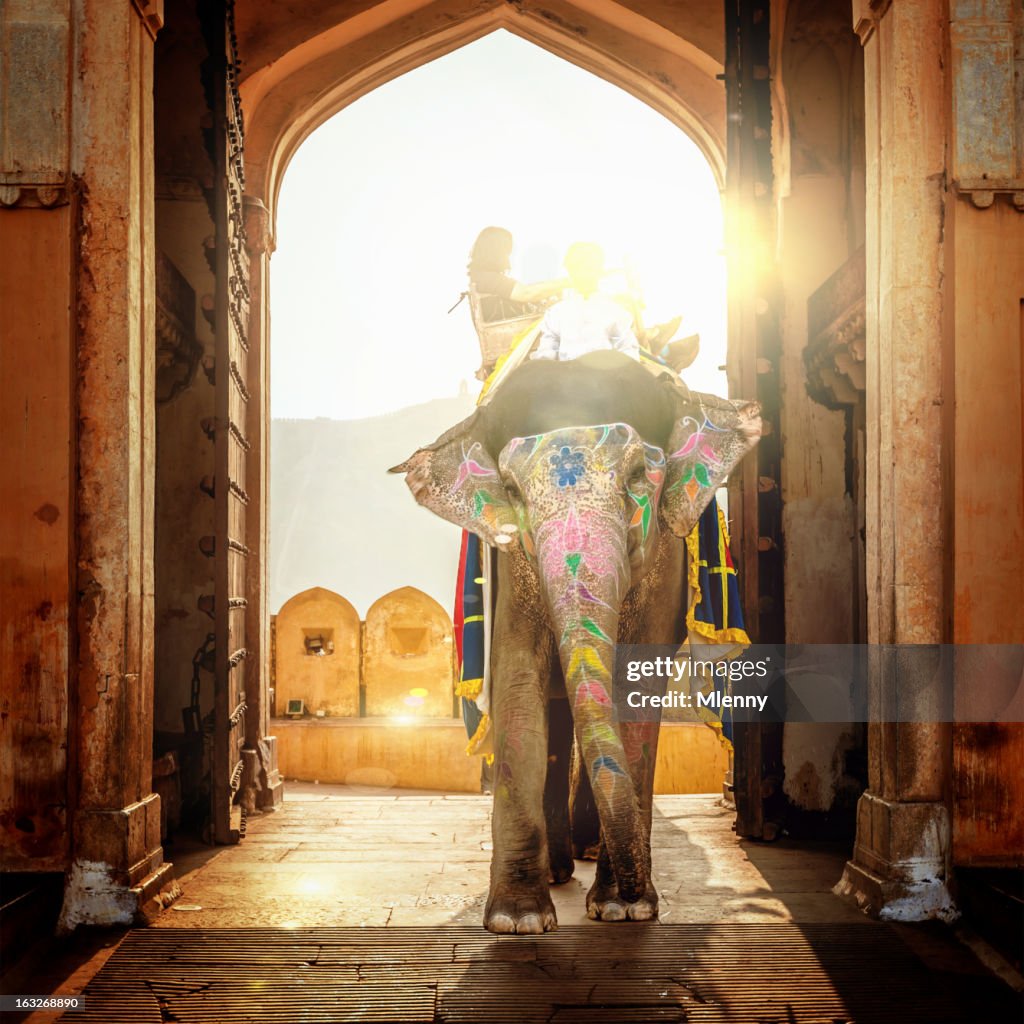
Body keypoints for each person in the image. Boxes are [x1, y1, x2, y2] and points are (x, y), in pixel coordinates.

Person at [531, 242, 641, 362]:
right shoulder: (556, 313)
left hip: (605, 377)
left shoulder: (616, 312)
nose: (583, 274)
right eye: (576, 267)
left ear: (600, 270)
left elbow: (628, 351)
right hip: (565, 376)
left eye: (590, 268)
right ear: (569, 270)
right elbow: (546, 352)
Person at [466, 226, 567, 322]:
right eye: (506, 251)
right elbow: (526, 293)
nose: (508, 257)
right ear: (496, 251)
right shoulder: (488, 279)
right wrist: (565, 282)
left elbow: (525, 291)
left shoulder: (482, 277)